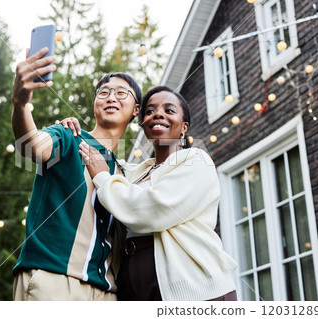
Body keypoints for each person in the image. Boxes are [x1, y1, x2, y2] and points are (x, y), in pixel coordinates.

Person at [75, 86, 238, 301]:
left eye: (169, 110)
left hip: (193, 289)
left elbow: (154, 209)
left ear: (184, 127)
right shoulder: (132, 172)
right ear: (143, 125)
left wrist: (104, 179)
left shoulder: (197, 161)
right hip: (133, 285)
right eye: (150, 111)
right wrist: (72, 129)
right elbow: (101, 154)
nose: (158, 114)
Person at [10, 46, 142, 301]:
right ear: (94, 103)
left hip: (106, 294)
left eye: (121, 92)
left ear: (136, 109)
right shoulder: (68, 137)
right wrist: (21, 102)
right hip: (54, 281)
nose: (111, 97)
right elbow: (32, 145)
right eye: (103, 92)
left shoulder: (126, 174)